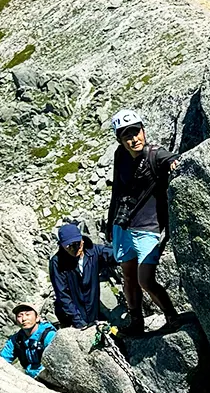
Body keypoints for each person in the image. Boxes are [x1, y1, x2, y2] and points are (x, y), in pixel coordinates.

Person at [106, 111, 178, 337]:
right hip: (123, 224)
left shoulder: (155, 155)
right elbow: (117, 190)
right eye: (126, 136)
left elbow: (170, 158)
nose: (133, 139)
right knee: (128, 276)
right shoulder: (121, 155)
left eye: (136, 132)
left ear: (143, 131)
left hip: (148, 227)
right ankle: (136, 321)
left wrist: (173, 162)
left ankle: (172, 317)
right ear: (120, 140)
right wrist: (111, 223)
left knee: (145, 279)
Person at [49, 221, 118, 331]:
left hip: (93, 310)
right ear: (62, 246)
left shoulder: (93, 251)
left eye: (76, 244)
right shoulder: (57, 262)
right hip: (71, 318)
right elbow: (62, 295)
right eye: (68, 246)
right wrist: (78, 321)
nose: (73, 249)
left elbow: (115, 254)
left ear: (82, 240)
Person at [0, 301, 56, 378]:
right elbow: (2, 360)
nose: (24, 319)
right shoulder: (16, 340)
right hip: (31, 378)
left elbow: (58, 362)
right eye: (20, 316)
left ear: (37, 318)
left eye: (27, 314)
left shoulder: (48, 336)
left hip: (50, 377)